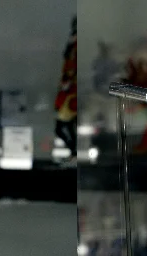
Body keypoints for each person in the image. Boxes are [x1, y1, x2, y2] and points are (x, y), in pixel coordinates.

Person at [54, 18, 78, 160]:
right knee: (65, 127)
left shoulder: (76, 45)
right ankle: (73, 150)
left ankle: (74, 150)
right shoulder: (72, 43)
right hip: (68, 93)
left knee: (64, 126)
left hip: (71, 94)